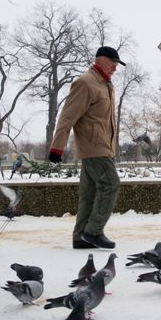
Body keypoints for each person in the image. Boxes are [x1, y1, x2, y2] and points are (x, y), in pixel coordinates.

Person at [48, 46, 126, 249]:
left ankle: (80, 236)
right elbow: (67, 117)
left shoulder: (105, 85)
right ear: (100, 60)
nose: (115, 68)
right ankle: (93, 231)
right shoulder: (85, 83)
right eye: (113, 63)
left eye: (117, 64)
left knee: (90, 192)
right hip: (93, 146)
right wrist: (57, 147)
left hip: (103, 146)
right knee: (111, 184)